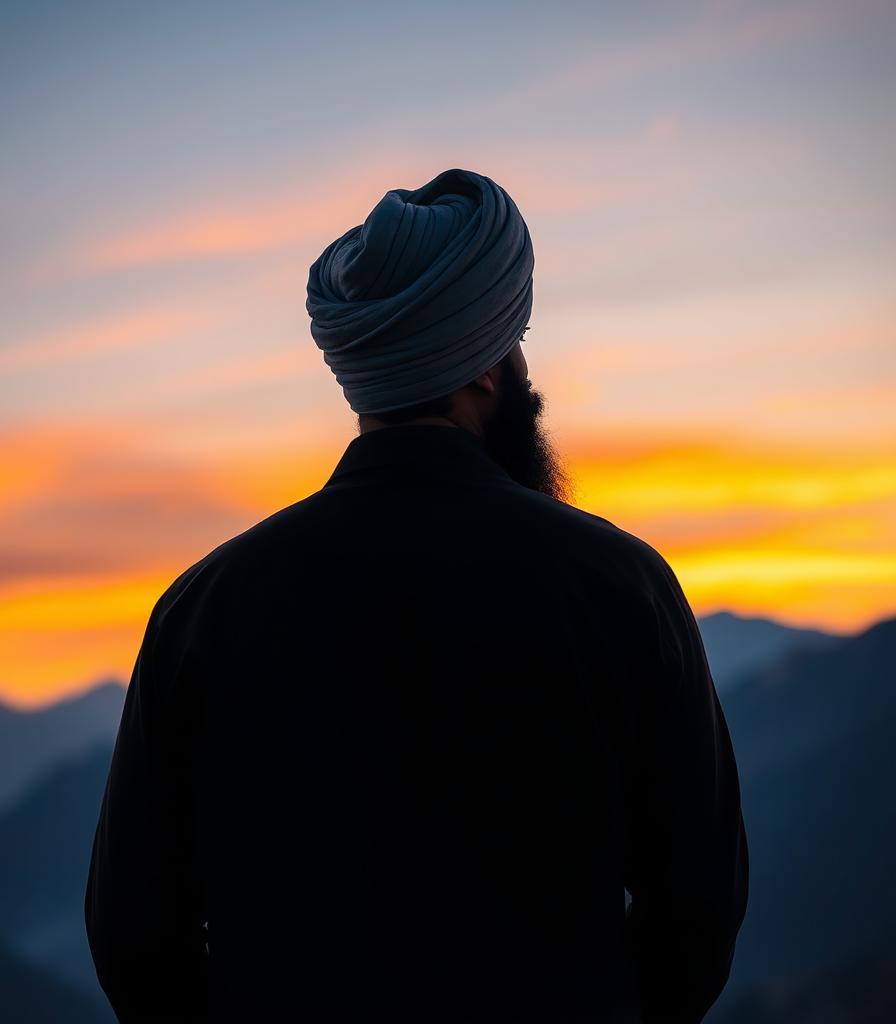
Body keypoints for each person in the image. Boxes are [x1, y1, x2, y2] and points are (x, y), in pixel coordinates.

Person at [84, 168, 748, 1023]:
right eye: (517, 344)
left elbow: (133, 938)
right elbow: (699, 913)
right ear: (483, 372)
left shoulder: (204, 609)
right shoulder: (621, 588)